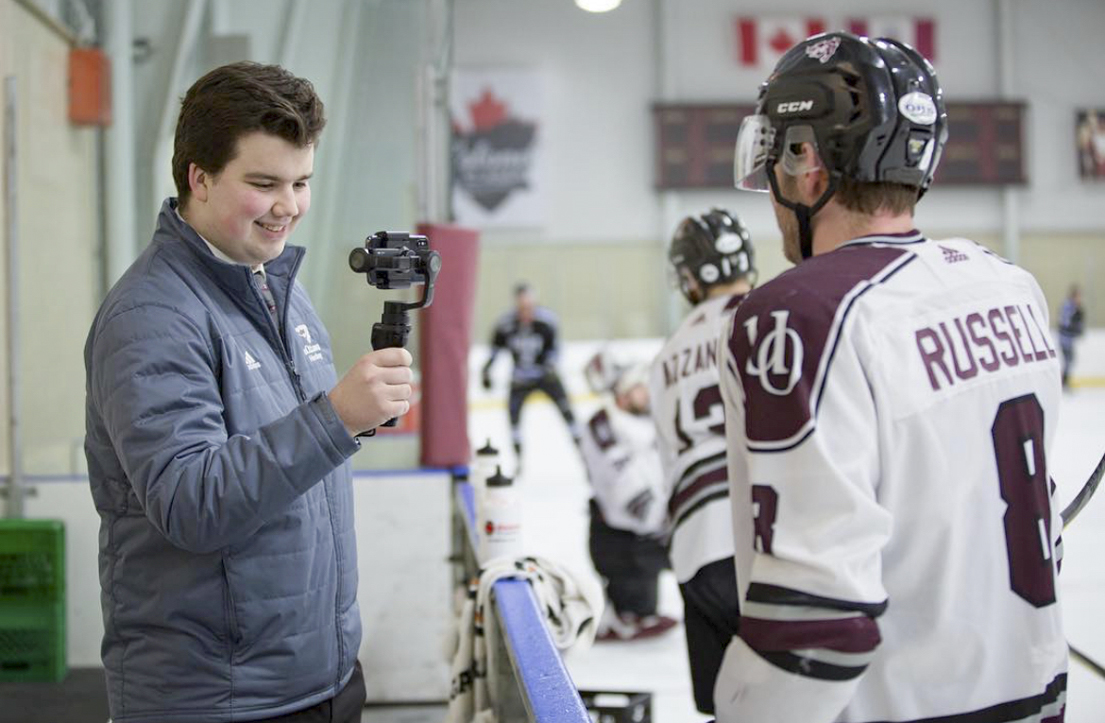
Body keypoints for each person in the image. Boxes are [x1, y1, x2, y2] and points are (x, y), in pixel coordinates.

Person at [715, 33, 1067, 722]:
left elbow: (814, 621)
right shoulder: (1011, 287)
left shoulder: (800, 313)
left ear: (804, 161)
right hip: (1038, 695)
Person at [84, 62, 413, 723]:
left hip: (319, 679)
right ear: (197, 177)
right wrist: (335, 417)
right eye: (263, 183)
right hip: (217, 701)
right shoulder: (151, 316)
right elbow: (191, 502)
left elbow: (287, 461)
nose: (288, 205)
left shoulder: (277, 288)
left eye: (300, 182)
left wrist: (357, 411)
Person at [649, 209, 756, 713]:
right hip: (765, 537)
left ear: (690, 276)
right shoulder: (775, 314)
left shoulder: (667, 355)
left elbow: (668, 464)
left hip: (696, 547)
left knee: (725, 705)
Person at [579, 350, 677, 641]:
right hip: (623, 539)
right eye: (638, 387)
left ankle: (638, 611)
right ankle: (623, 616)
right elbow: (622, 483)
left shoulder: (642, 419)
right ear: (622, 393)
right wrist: (660, 522)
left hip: (641, 533)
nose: (645, 392)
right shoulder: (604, 425)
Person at [481, 283, 581, 468]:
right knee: (513, 419)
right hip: (520, 379)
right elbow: (495, 351)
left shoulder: (547, 321)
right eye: (522, 307)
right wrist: (486, 371)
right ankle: (518, 460)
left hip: (546, 376)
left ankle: (583, 452)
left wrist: (550, 365)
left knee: (568, 413)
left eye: (529, 307)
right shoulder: (506, 324)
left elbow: (556, 349)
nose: (526, 312)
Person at [1058, 284, 1085, 388]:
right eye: (1078, 296)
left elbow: (1078, 326)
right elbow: (1065, 323)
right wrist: (1074, 324)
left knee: (1070, 361)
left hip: (1069, 340)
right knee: (1068, 360)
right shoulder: (1068, 306)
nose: (1080, 299)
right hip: (1064, 340)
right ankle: (1063, 383)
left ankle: (1064, 382)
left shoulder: (1076, 308)